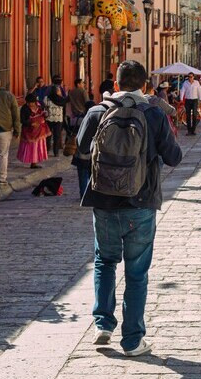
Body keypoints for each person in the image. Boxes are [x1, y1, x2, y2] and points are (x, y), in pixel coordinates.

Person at [75, 60, 182, 357]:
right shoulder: (153, 113)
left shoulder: (98, 111)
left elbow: (81, 148)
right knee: (136, 273)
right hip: (141, 202)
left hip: (103, 200)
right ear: (145, 85)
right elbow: (174, 157)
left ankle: (103, 324)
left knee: (104, 261)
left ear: (116, 82)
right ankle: (133, 340)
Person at [17, 97, 50, 169]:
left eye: (30, 103)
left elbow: (46, 113)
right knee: (31, 146)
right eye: (28, 103)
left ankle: (34, 162)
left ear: (35, 102)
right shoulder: (24, 108)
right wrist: (31, 123)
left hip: (40, 130)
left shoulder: (41, 105)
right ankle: (32, 161)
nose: (29, 104)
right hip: (29, 131)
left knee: (38, 146)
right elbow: (22, 120)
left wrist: (46, 114)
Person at [43, 75, 68, 157]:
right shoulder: (62, 99)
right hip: (58, 119)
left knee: (49, 136)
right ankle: (55, 152)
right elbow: (65, 102)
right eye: (58, 91)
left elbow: (44, 104)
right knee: (56, 136)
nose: (59, 91)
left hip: (49, 118)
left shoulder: (47, 98)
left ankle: (47, 150)